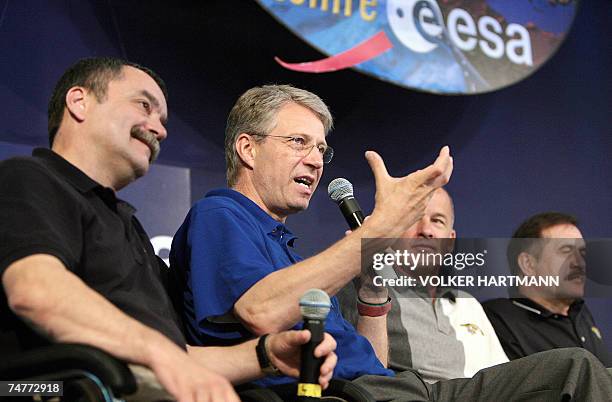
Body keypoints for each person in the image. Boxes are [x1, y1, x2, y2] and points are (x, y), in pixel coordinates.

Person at [171, 84, 612, 401]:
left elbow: (373, 367)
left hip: (389, 390)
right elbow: (259, 311)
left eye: (321, 149)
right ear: (248, 149)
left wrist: (371, 295)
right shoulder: (221, 214)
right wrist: (376, 231)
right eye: (298, 142)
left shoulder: (283, 244)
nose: (315, 160)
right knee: (573, 369)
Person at [0, 58, 337, 402]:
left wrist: (266, 356)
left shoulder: (127, 227)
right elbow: (35, 291)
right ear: (79, 102)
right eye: (144, 106)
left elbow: (183, 359)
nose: (159, 129)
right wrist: (159, 353)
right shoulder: (28, 179)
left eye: (162, 121)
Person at [339, 188, 508, 383]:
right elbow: (363, 379)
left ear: (450, 242)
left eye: (437, 221)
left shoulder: (467, 303)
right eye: (414, 218)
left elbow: (505, 378)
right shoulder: (362, 291)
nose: (426, 231)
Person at [483, 212, 612, 366]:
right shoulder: (497, 320)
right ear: (528, 264)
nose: (580, 263)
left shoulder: (580, 313)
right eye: (566, 251)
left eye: (582, 253)